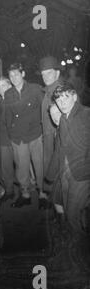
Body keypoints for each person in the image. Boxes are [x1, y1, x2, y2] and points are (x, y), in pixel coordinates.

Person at [47, 82, 90, 241]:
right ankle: (75, 239)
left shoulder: (86, 114)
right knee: (66, 208)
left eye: (66, 98)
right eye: (59, 101)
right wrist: (50, 176)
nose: (62, 103)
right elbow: (60, 148)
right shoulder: (63, 118)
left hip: (82, 175)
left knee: (73, 214)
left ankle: (79, 247)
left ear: (75, 97)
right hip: (65, 173)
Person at [5, 63, 46, 208]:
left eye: (16, 74)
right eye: (10, 75)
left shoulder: (35, 89)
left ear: (23, 74)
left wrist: (44, 130)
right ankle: (25, 194)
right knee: (21, 167)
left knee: (40, 165)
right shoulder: (8, 94)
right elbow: (8, 116)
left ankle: (43, 194)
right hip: (18, 136)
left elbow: (44, 108)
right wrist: (11, 134)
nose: (13, 78)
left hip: (35, 134)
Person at [39, 56, 62, 199]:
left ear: (57, 73)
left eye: (49, 73)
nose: (46, 77)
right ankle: (55, 202)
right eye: (43, 74)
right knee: (50, 168)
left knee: (57, 170)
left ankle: (59, 207)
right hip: (47, 136)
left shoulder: (60, 91)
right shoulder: (47, 91)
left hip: (56, 138)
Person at [0, 77, 15, 201]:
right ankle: (9, 190)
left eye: (3, 85)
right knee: (6, 166)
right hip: (4, 139)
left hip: (17, 138)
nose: (0, 89)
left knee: (23, 165)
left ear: (9, 86)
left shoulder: (15, 100)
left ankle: (29, 190)